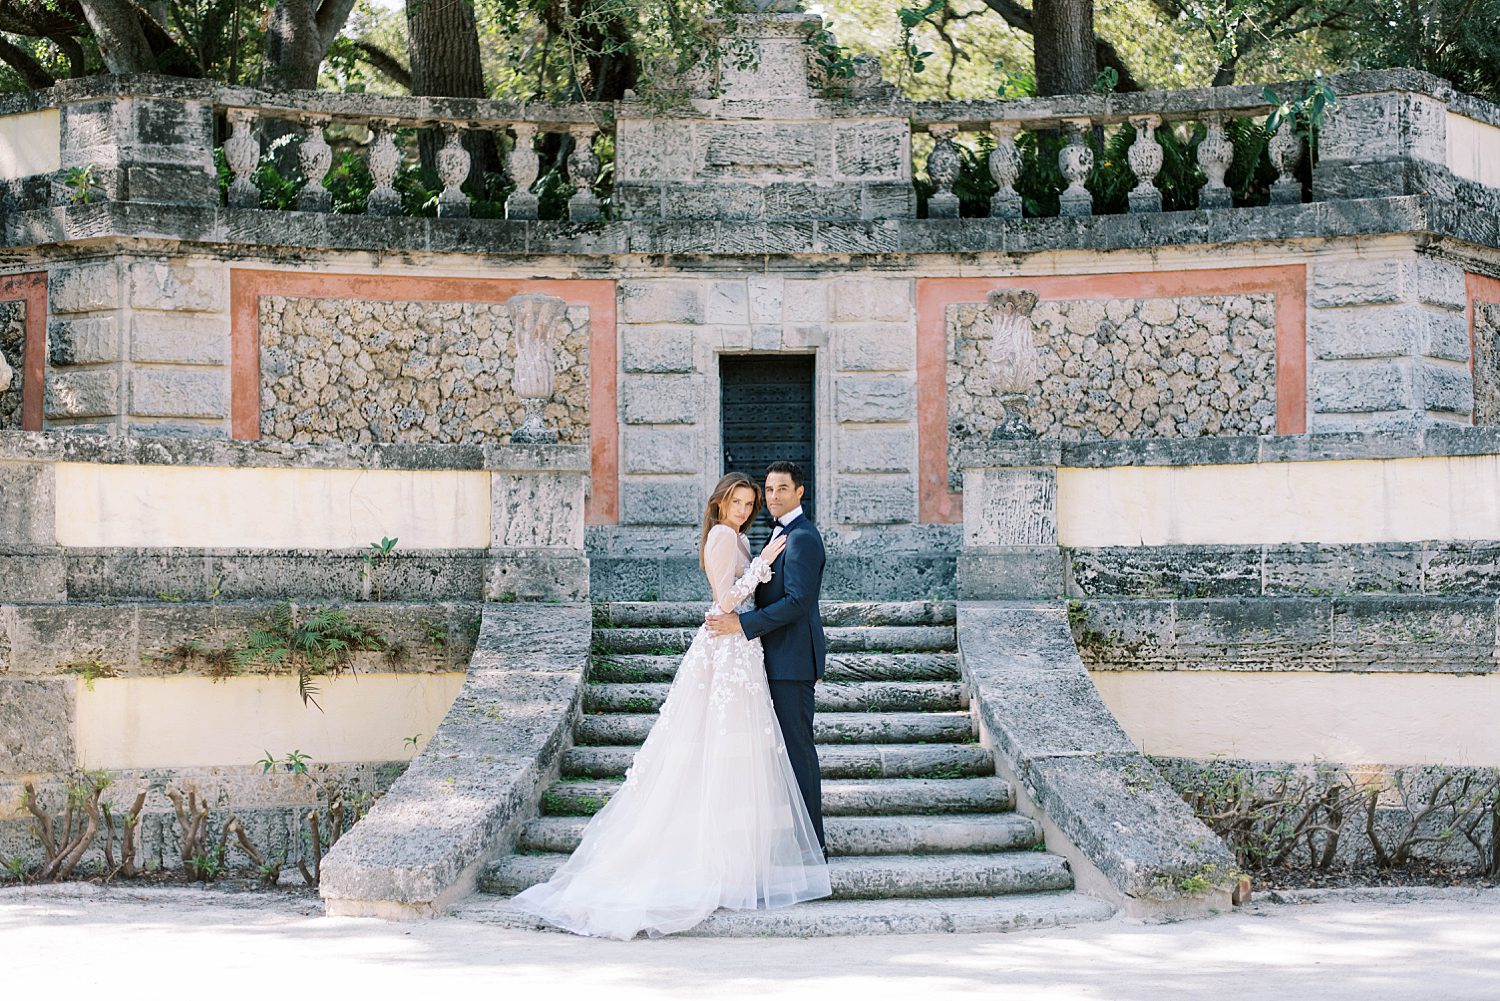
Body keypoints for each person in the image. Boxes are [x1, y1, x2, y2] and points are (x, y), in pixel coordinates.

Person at [511, 472, 831, 940]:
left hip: (748, 648)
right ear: (720, 502)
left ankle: (755, 849)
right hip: (731, 645)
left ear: (796, 493)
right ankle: (739, 852)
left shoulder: (761, 536)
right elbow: (726, 599)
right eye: (738, 501)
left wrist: (755, 577)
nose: (746, 509)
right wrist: (761, 565)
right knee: (725, 747)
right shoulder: (727, 537)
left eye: (751, 502)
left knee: (751, 752)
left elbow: (787, 598)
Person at [706, 460, 828, 857]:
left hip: (791, 659)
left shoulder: (803, 537)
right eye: (769, 490)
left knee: (797, 749)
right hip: (768, 655)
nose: (773, 496)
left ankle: (813, 845)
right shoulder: (773, 534)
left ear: (799, 492)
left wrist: (743, 626)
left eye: (781, 489)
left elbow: (797, 602)